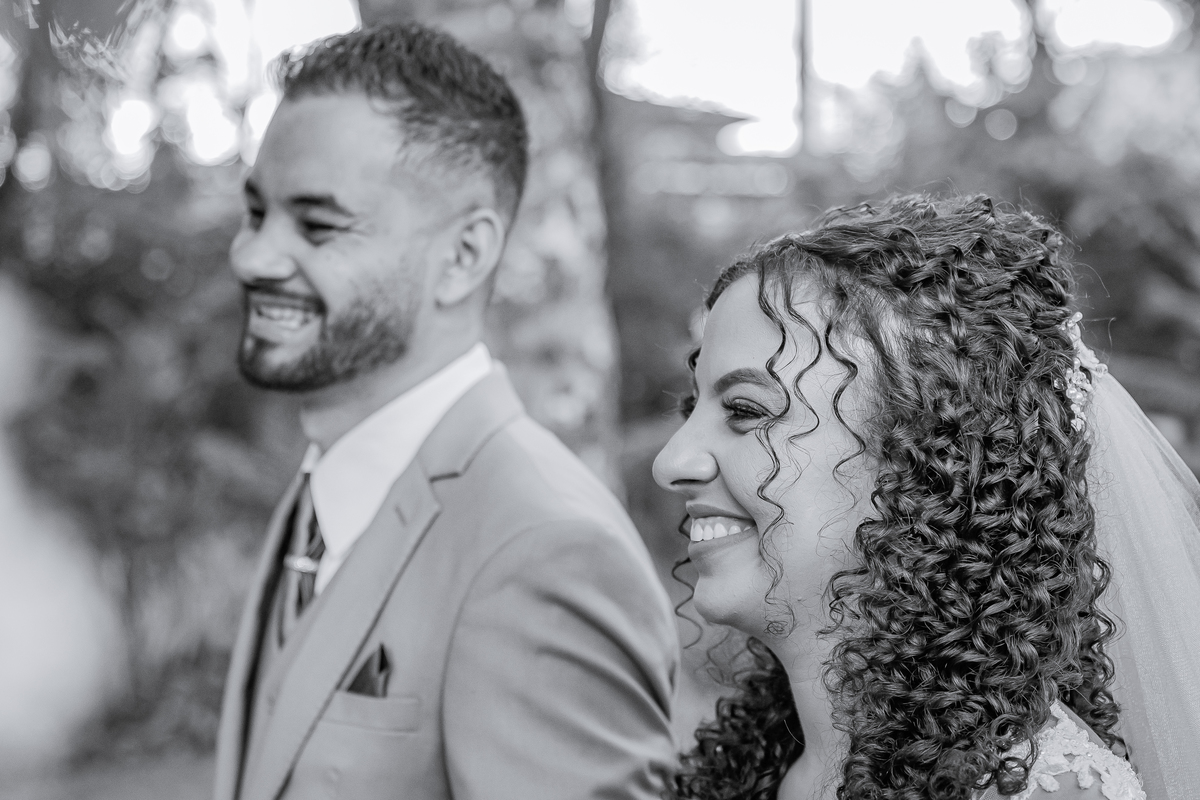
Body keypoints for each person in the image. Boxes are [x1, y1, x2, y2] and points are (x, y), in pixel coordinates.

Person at [212, 23, 679, 800]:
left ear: (464, 256)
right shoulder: (325, 490)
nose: (252, 256)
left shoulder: (545, 547)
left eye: (318, 225)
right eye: (256, 213)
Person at [652, 194, 1184, 799]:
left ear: (929, 461)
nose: (670, 463)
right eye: (693, 407)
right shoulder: (753, 768)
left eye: (745, 411)